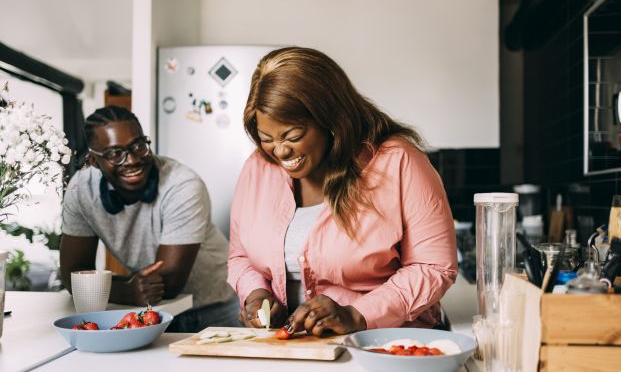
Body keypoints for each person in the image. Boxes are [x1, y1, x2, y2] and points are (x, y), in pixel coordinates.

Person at [228, 47, 457, 336]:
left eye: (293, 136)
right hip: (292, 349)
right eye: (267, 139)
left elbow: (434, 267)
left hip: (384, 345)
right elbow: (240, 257)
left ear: (331, 120)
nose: (281, 151)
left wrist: (357, 315)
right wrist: (255, 295)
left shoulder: (399, 162)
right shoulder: (258, 168)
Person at [60, 106, 239, 332]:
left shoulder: (182, 184)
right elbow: (73, 278)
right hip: (154, 311)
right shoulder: (81, 191)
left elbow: (168, 285)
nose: (132, 159)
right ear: (95, 162)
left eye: (139, 146)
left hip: (218, 306)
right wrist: (126, 290)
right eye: (115, 154)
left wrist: (113, 289)